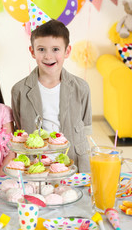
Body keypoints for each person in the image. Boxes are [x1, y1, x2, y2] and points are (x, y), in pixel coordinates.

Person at [11, 19, 92, 172]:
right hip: (36, 166)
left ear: (67, 51)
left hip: (74, 163)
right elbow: (20, 128)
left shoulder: (81, 88)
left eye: (55, 49)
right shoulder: (19, 90)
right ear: (32, 51)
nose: (48, 56)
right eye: (41, 49)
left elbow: (85, 128)